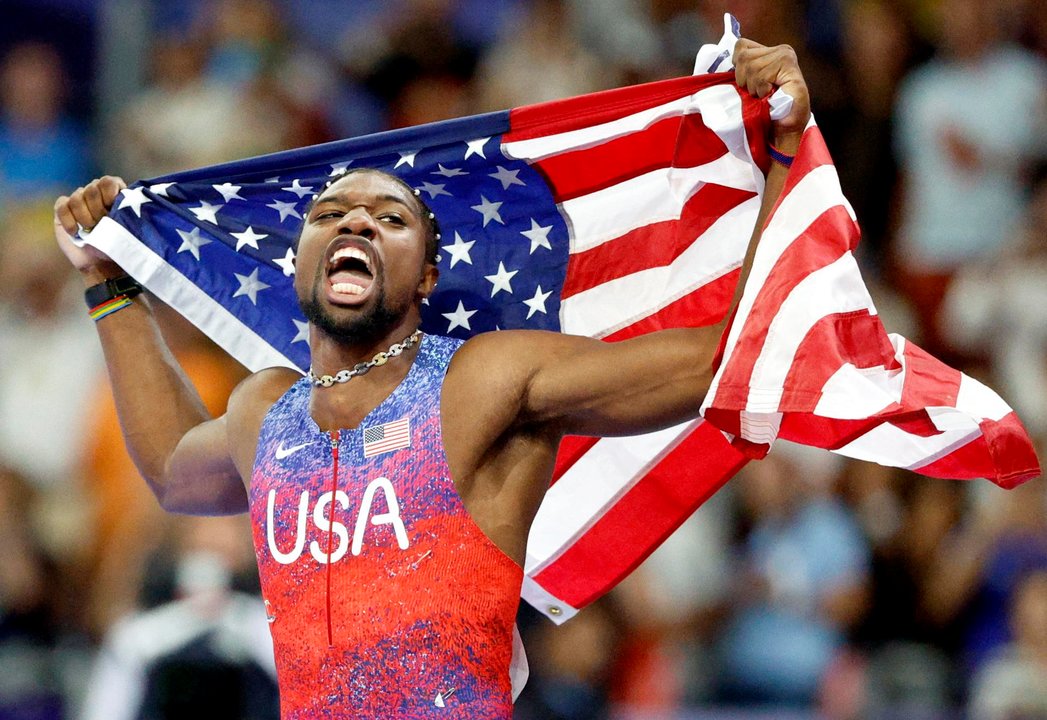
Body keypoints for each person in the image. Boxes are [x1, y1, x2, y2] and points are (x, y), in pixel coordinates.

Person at [54, 39, 810, 719]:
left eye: (389, 219)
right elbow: (175, 473)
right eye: (331, 214)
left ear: (426, 277)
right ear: (298, 262)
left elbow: (725, 358)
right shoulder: (267, 407)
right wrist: (109, 285)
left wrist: (781, 152)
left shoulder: (481, 379)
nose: (354, 223)